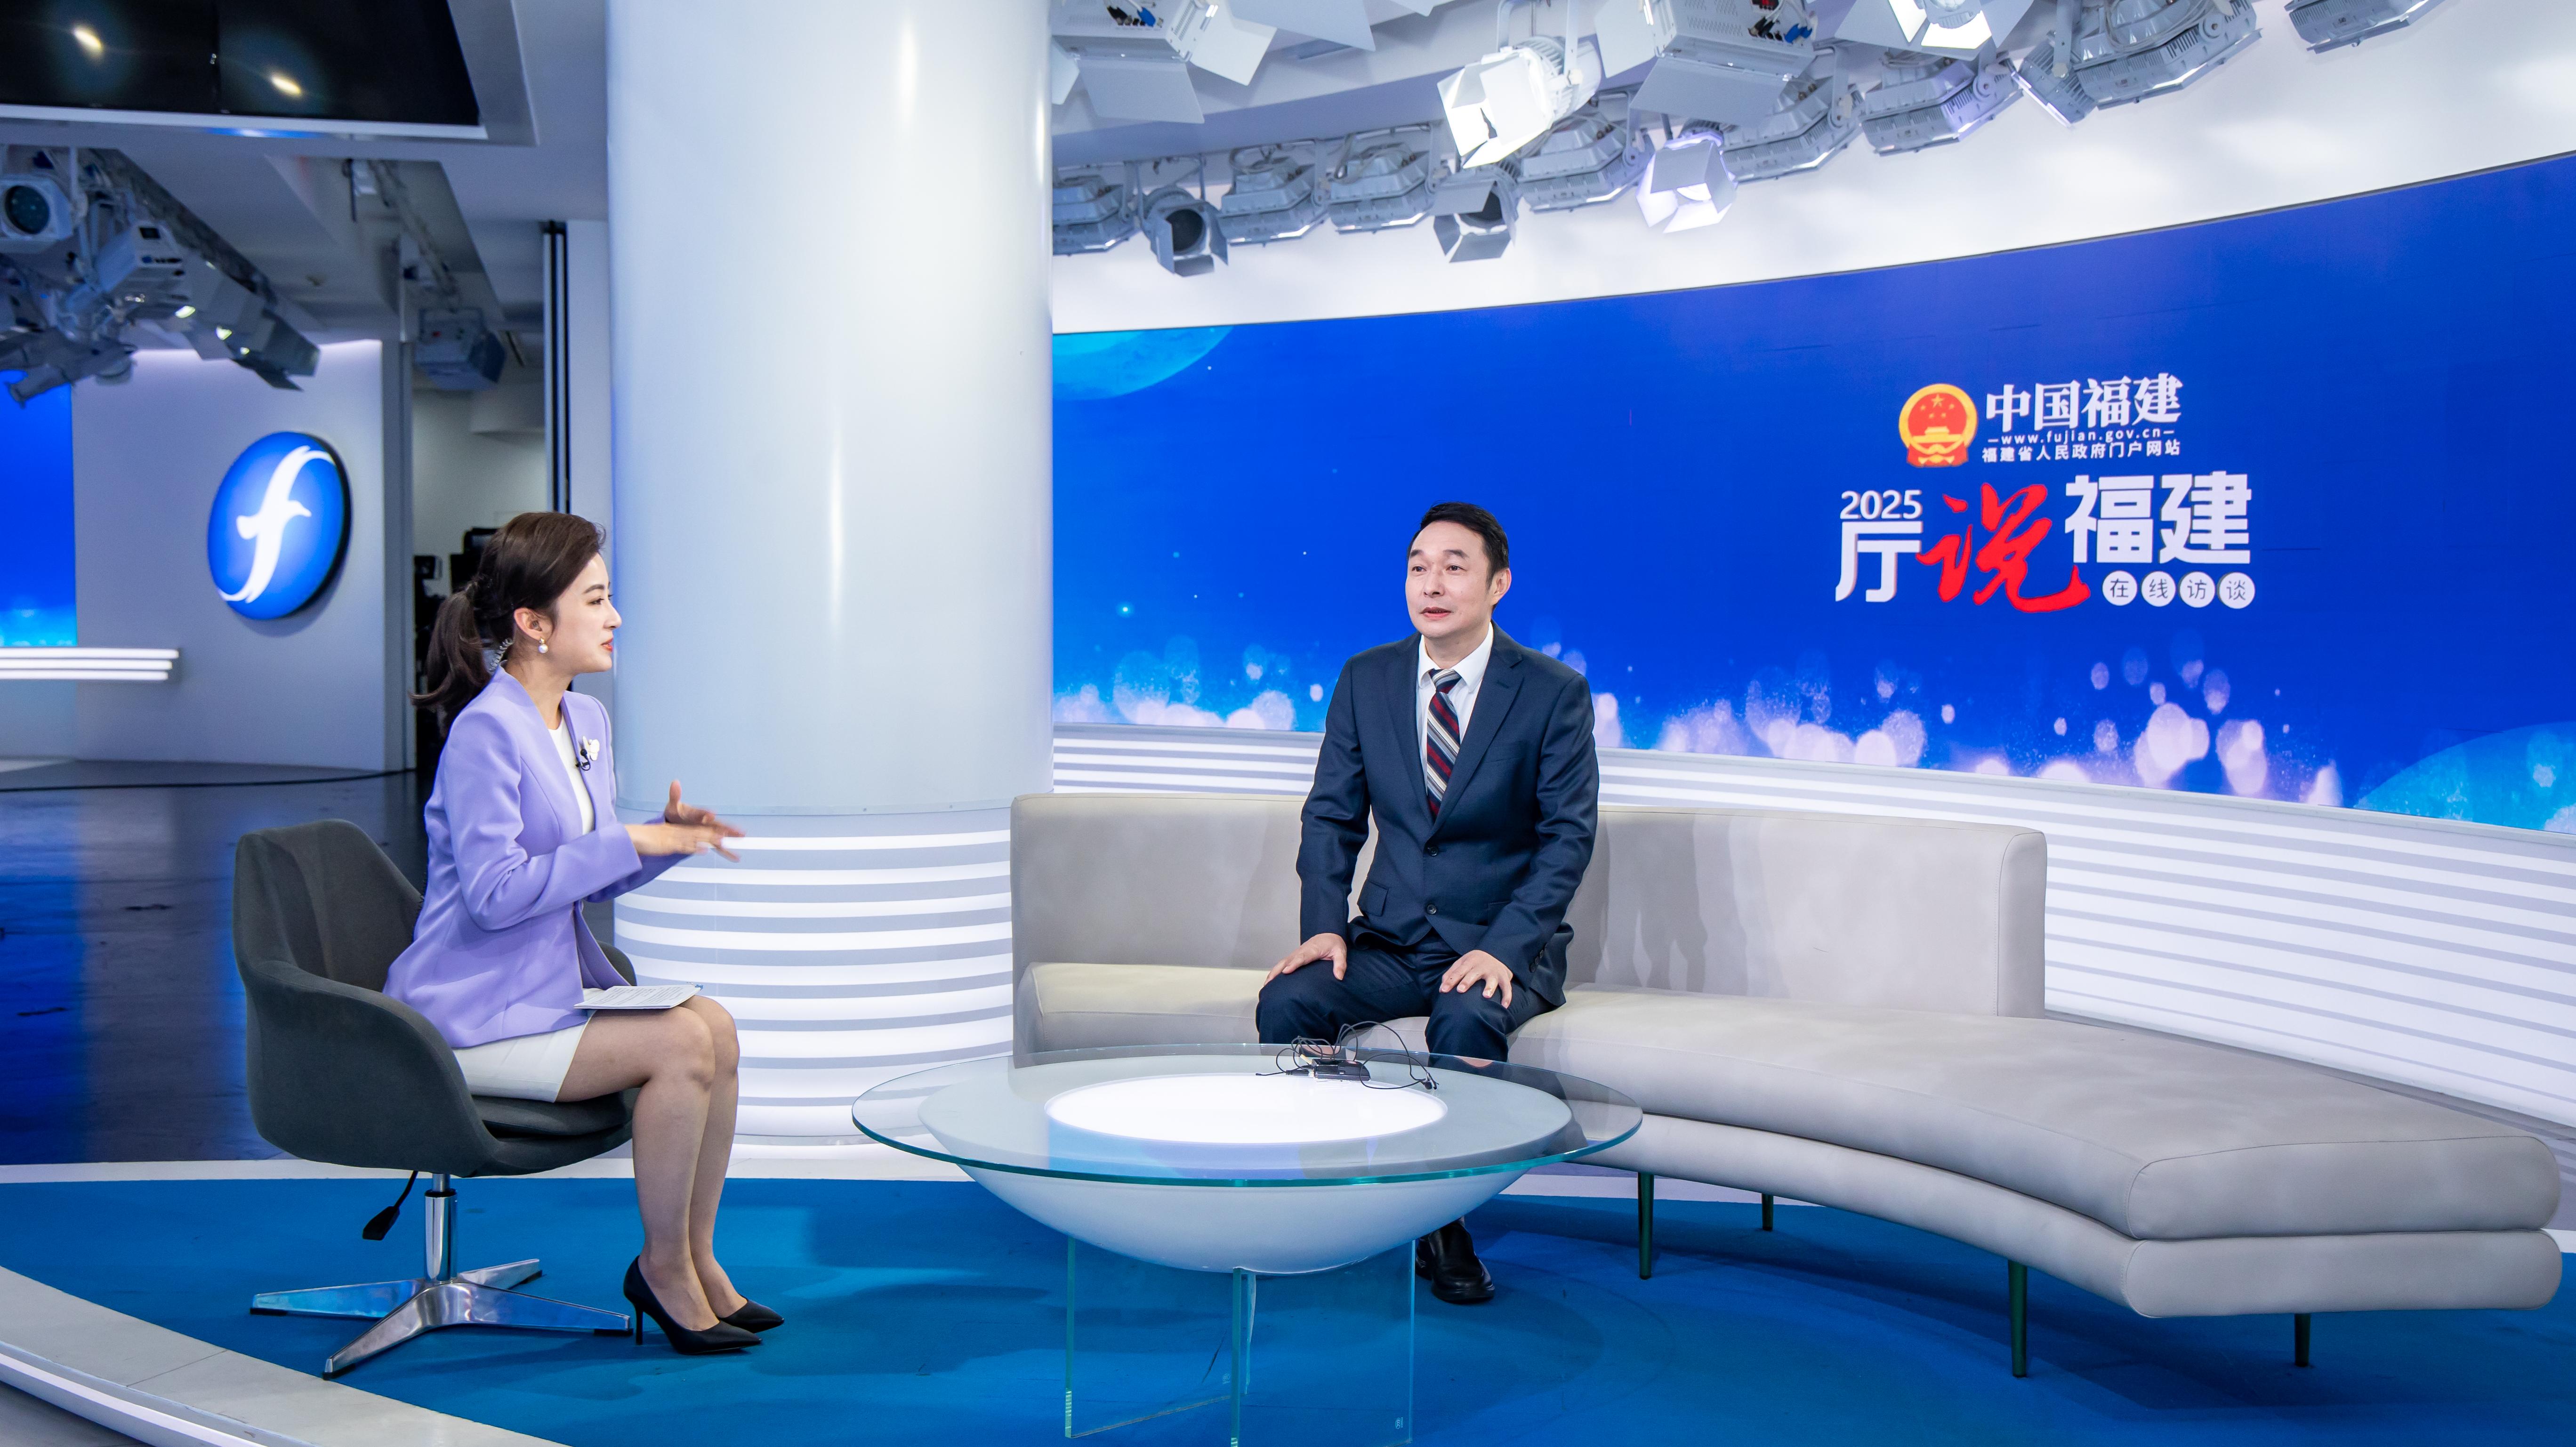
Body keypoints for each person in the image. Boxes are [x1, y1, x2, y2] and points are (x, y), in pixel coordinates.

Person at [386, 512, 771, 1356]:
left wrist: (660, 844)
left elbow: (582, 872)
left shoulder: (585, 720)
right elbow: (495, 896)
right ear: (533, 622)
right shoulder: (484, 733)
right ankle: (661, 1270)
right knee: (680, 1044)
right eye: (595, 600)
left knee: (715, 1026)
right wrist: (626, 839)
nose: (615, 616)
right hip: (472, 1011)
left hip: (546, 993)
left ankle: (697, 1258)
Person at [1258, 501, 1600, 1304]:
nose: (1432, 584)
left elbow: (1566, 839)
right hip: (1393, 939)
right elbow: (1331, 816)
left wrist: (1506, 946)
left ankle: (1441, 1221)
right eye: (1418, 567)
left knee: (1466, 1018)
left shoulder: (1551, 692)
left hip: (1498, 942)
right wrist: (1324, 928)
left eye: (1454, 567)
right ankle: (1339, 1192)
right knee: (1290, 1000)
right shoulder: (1366, 678)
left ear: (1498, 584)